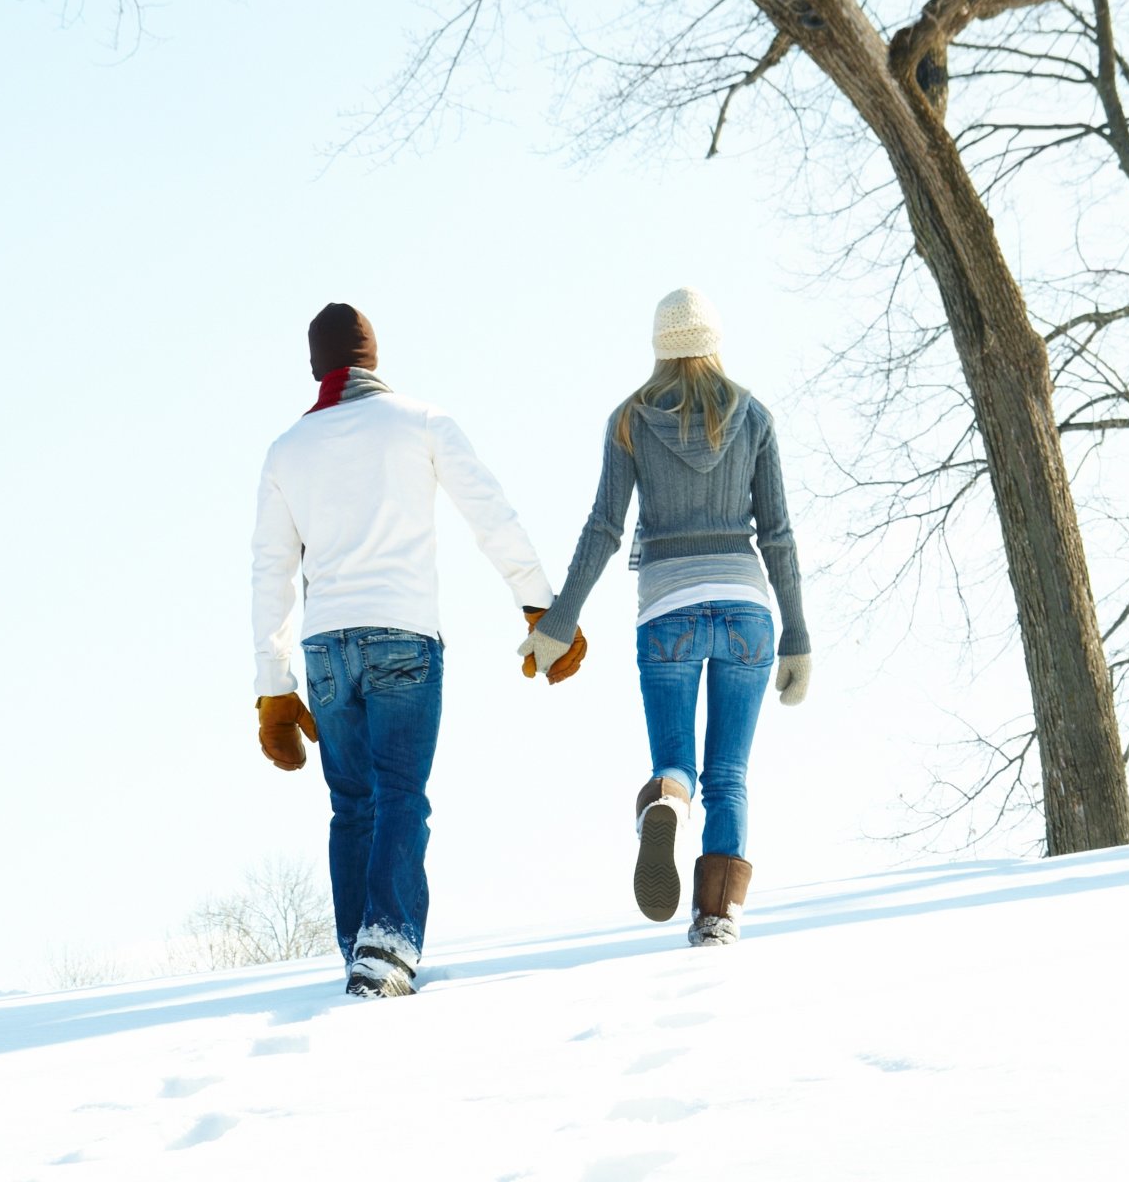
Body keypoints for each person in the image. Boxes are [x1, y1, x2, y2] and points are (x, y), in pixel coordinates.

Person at [251, 303, 586, 998]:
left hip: (325, 648)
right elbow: (490, 511)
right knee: (401, 795)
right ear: (373, 357)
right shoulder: (422, 422)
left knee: (352, 805)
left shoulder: (287, 450)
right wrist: (539, 604)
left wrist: (273, 687)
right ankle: (386, 943)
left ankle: (361, 947)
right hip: (403, 634)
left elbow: (270, 572)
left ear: (317, 366)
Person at [520, 287, 810, 946]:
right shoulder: (754, 416)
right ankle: (716, 916)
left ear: (660, 349)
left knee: (677, 762)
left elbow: (603, 528)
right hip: (746, 607)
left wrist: (559, 621)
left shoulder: (629, 420)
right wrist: (797, 634)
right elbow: (780, 533)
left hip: (668, 610)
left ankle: (667, 805)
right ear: (714, 344)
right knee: (729, 773)